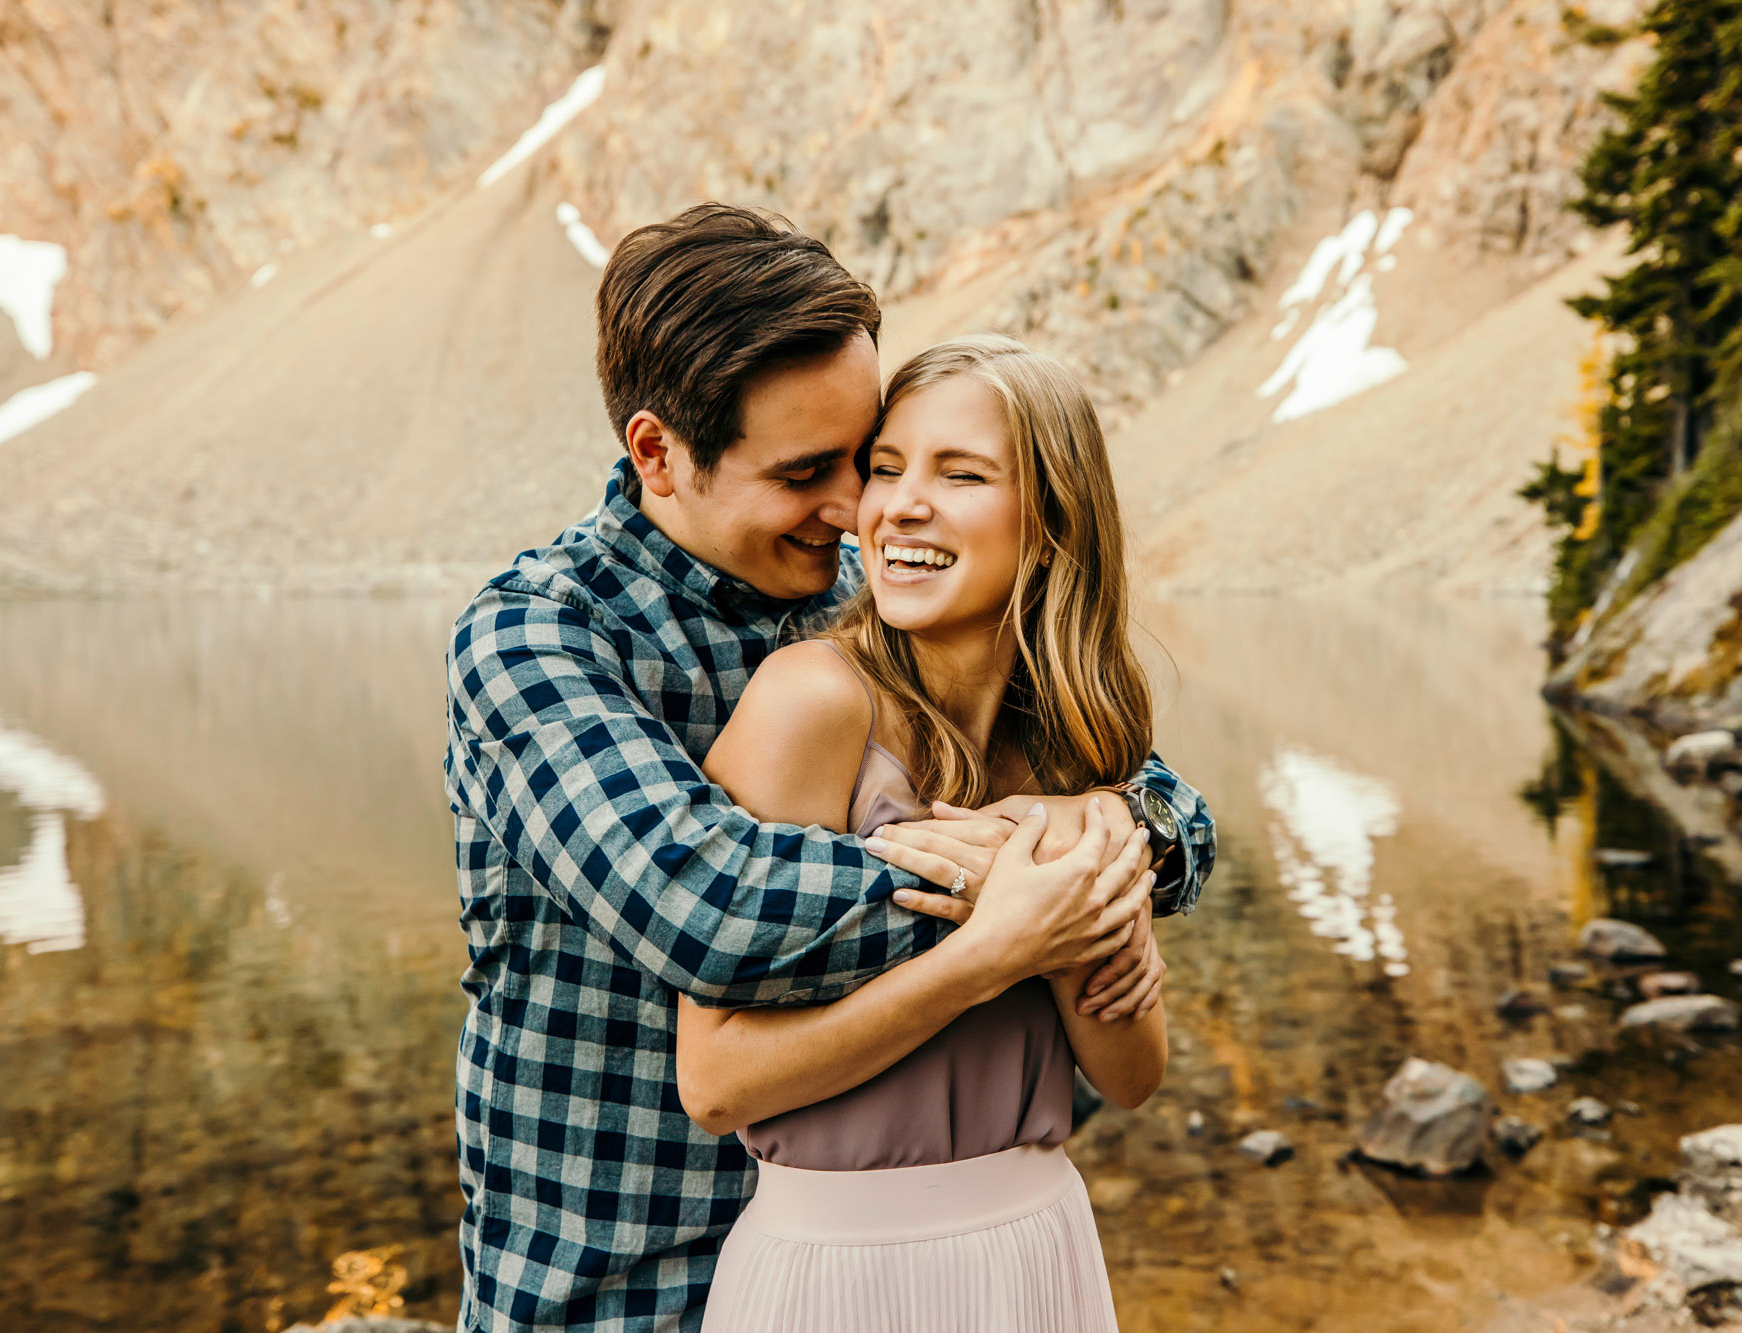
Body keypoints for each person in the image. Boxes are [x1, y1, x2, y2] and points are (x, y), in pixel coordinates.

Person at [442, 203, 1216, 1333]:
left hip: (901, 1253)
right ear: (657, 453)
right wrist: (1023, 898)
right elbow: (712, 910)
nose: (859, 507)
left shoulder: (874, 606)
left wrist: (1117, 832)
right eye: (812, 471)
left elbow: (1160, 809)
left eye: (865, 458)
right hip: (617, 1281)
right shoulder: (540, 641)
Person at [682, 334, 1167, 1331]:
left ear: (1048, 523)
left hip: (1040, 1243)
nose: (898, 506)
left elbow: (1130, 1076)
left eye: (961, 473)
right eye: (887, 467)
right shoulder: (812, 700)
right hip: (835, 1270)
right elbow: (715, 1081)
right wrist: (993, 953)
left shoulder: (1077, 745)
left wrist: (1084, 894)